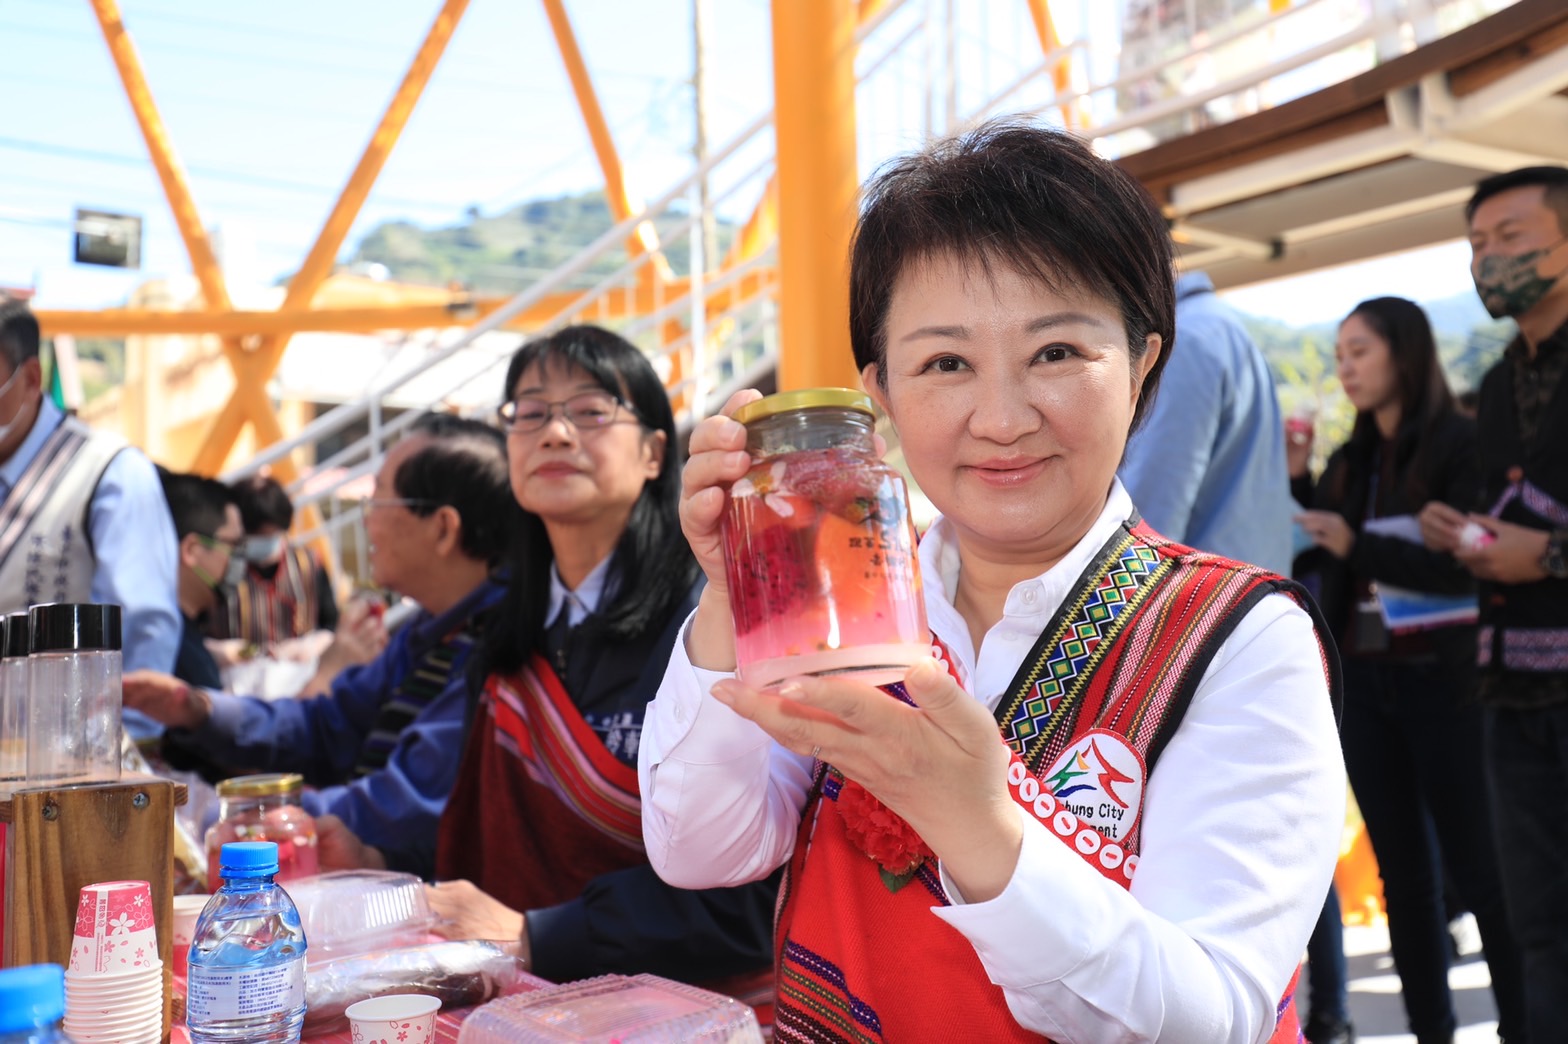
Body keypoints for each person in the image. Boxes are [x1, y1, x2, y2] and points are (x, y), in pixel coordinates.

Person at [640, 120, 1344, 1042]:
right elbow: (700, 850)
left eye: (1056, 353)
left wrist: (975, 825)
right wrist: (733, 594)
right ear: (881, 393)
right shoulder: (846, 607)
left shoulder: (1239, 638)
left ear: (1142, 363)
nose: (1003, 419)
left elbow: (1210, 1017)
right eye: (946, 364)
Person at [321, 326, 779, 993]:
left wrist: (540, 933)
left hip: (688, 1010)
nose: (555, 434)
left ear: (655, 452)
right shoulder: (509, 632)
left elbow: (753, 891)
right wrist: (372, 854)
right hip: (519, 999)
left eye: (590, 411)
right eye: (530, 412)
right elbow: (486, 830)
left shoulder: (713, 623)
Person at [122, 414, 512, 877]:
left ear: (443, 528)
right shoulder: (428, 633)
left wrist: (235, 821)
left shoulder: (500, 652)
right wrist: (201, 710)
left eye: (380, 498)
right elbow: (326, 725)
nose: (367, 516)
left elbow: (395, 805)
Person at [1294, 296, 1524, 1043]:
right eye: (1340, 354)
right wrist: (1299, 482)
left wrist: (1357, 543)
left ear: (1405, 351)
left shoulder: (1460, 443)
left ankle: (1522, 1026)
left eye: (1359, 351)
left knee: (1480, 869)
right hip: (1363, 685)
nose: (1346, 368)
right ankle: (1432, 1031)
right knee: (1402, 877)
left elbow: (1466, 567)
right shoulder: (1352, 459)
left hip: (1448, 681)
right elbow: (1316, 548)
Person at [1420, 164, 1568, 1043]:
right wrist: (1467, 534)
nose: (1488, 260)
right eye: (1477, 244)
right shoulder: (1505, 382)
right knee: (1536, 925)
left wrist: (1545, 555)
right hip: (1511, 689)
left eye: (1510, 237)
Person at [0, 299, 180, 737]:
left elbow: (145, 636)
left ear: (30, 379)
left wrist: (110, 758)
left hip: (66, 761)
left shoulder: (111, 473)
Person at [1121, 267, 1293, 574]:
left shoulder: (1185, 340)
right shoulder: (1220, 327)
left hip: (1207, 590)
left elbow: (1153, 515)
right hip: (1245, 580)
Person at [210, 473, 340, 649]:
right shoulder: (221, 567)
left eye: (267, 533)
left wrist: (309, 647)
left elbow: (331, 624)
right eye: (253, 534)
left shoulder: (308, 563)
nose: (261, 539)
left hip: (298, 663)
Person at [157, 468, 246, 691]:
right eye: (234, 545)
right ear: (191, 550)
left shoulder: (179, 637)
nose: (239, 559)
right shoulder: (173, 651)